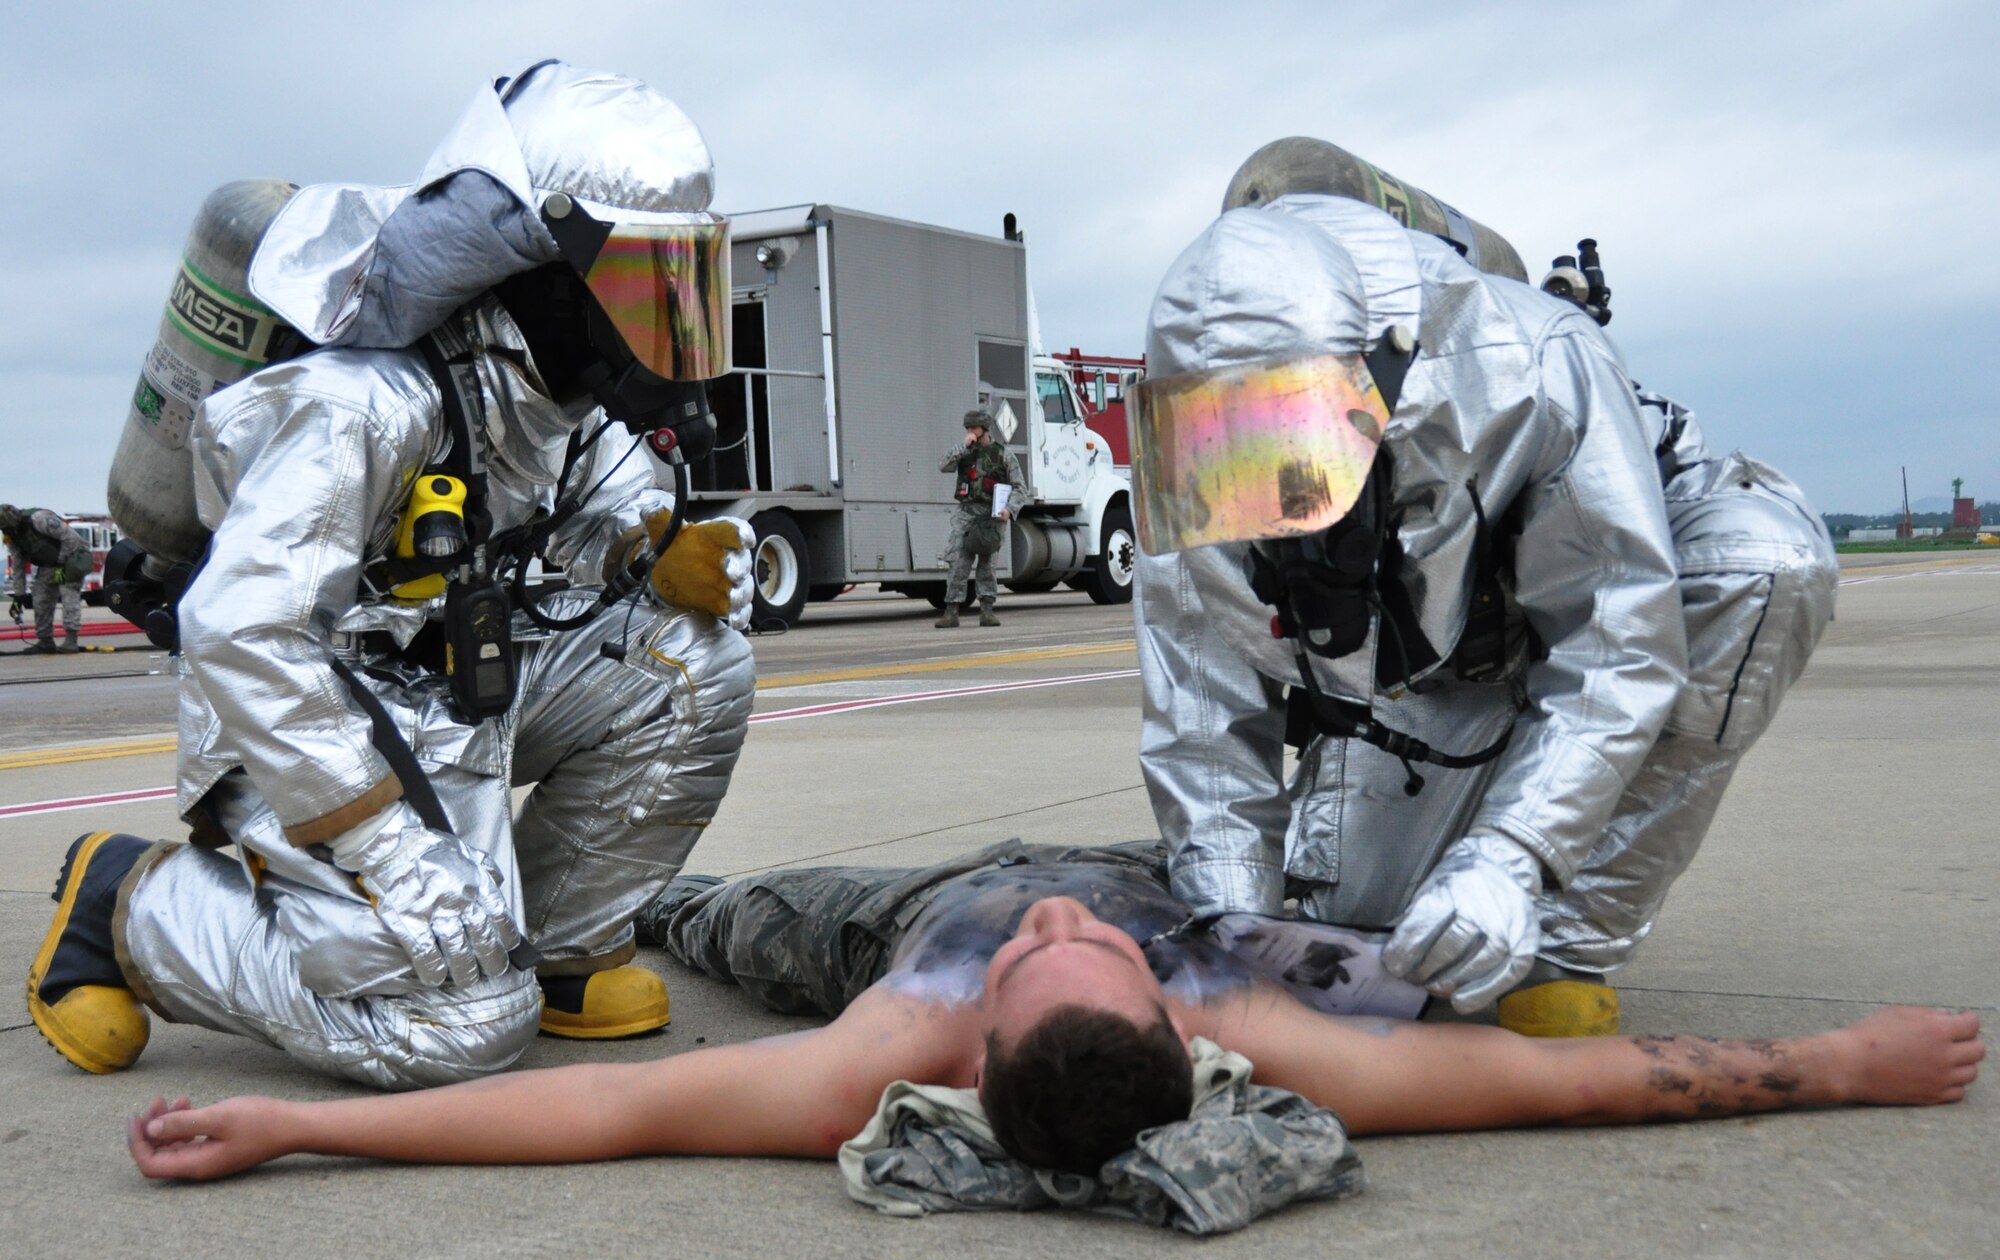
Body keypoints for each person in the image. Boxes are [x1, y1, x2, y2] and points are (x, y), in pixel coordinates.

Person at [25, 62, 760, 1090]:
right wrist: (389, 852)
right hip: (295, 717)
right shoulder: (366, 402)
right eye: (648, 286)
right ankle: (131, 906)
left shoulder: (560, 399)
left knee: (694, 662)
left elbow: (595, 510)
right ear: (546, 268)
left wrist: (654, 548)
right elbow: (243, 632)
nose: (670, 323)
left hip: (450, 692)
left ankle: (550, 945)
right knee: (459, 1028)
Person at [120, 845, 1981, 1183]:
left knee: (735, 920)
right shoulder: (1276, 1022)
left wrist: (301, 1119)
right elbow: (1585, 1087)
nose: (1071, 928)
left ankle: (689, 898)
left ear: (974, 1042)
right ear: (1196, 1021)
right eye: (1081, 951)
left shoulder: (895, 1040)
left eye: (1058, 951)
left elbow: (593, 1116)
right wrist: (1836, 1064)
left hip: (888, 927)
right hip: (1170, 854)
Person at [1129, 181, 1837, 1038]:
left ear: (1377, 387)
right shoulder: (1188, 459)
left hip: (1624, 606)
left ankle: (1563, 955)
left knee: (1762, 565)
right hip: (1432, 675)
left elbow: (1616, 639)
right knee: (1364, 957)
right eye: (1220, 450)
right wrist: (1230, 941)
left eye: (1277, 446)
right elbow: (1203, 719)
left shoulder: (1534, 360)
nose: (1250, 483)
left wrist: (1509, 858)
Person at [936, 409, 1025, 628]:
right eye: (967, 428)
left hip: (991, 515)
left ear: (985, 429)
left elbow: (1020, 488)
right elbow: (943, 465)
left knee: (987, 564)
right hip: (966, 513)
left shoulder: (1003, 454)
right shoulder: (964, 452)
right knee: (958, 561)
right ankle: (951, 610)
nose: (970, 432)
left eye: (974, 428)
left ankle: (987, 610)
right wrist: (962, 447)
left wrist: (1009, 509)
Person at [1, 503, 91, 654]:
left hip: (71, 558)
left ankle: (71, 640)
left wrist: (61, 561)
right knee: (40, 597)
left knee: (69, 596)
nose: (6, 531)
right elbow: (18, 566)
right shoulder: (13, 537)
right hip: (49, 565)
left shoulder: (40, 519)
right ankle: (45, 640)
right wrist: (19, 596)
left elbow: (70, 539)